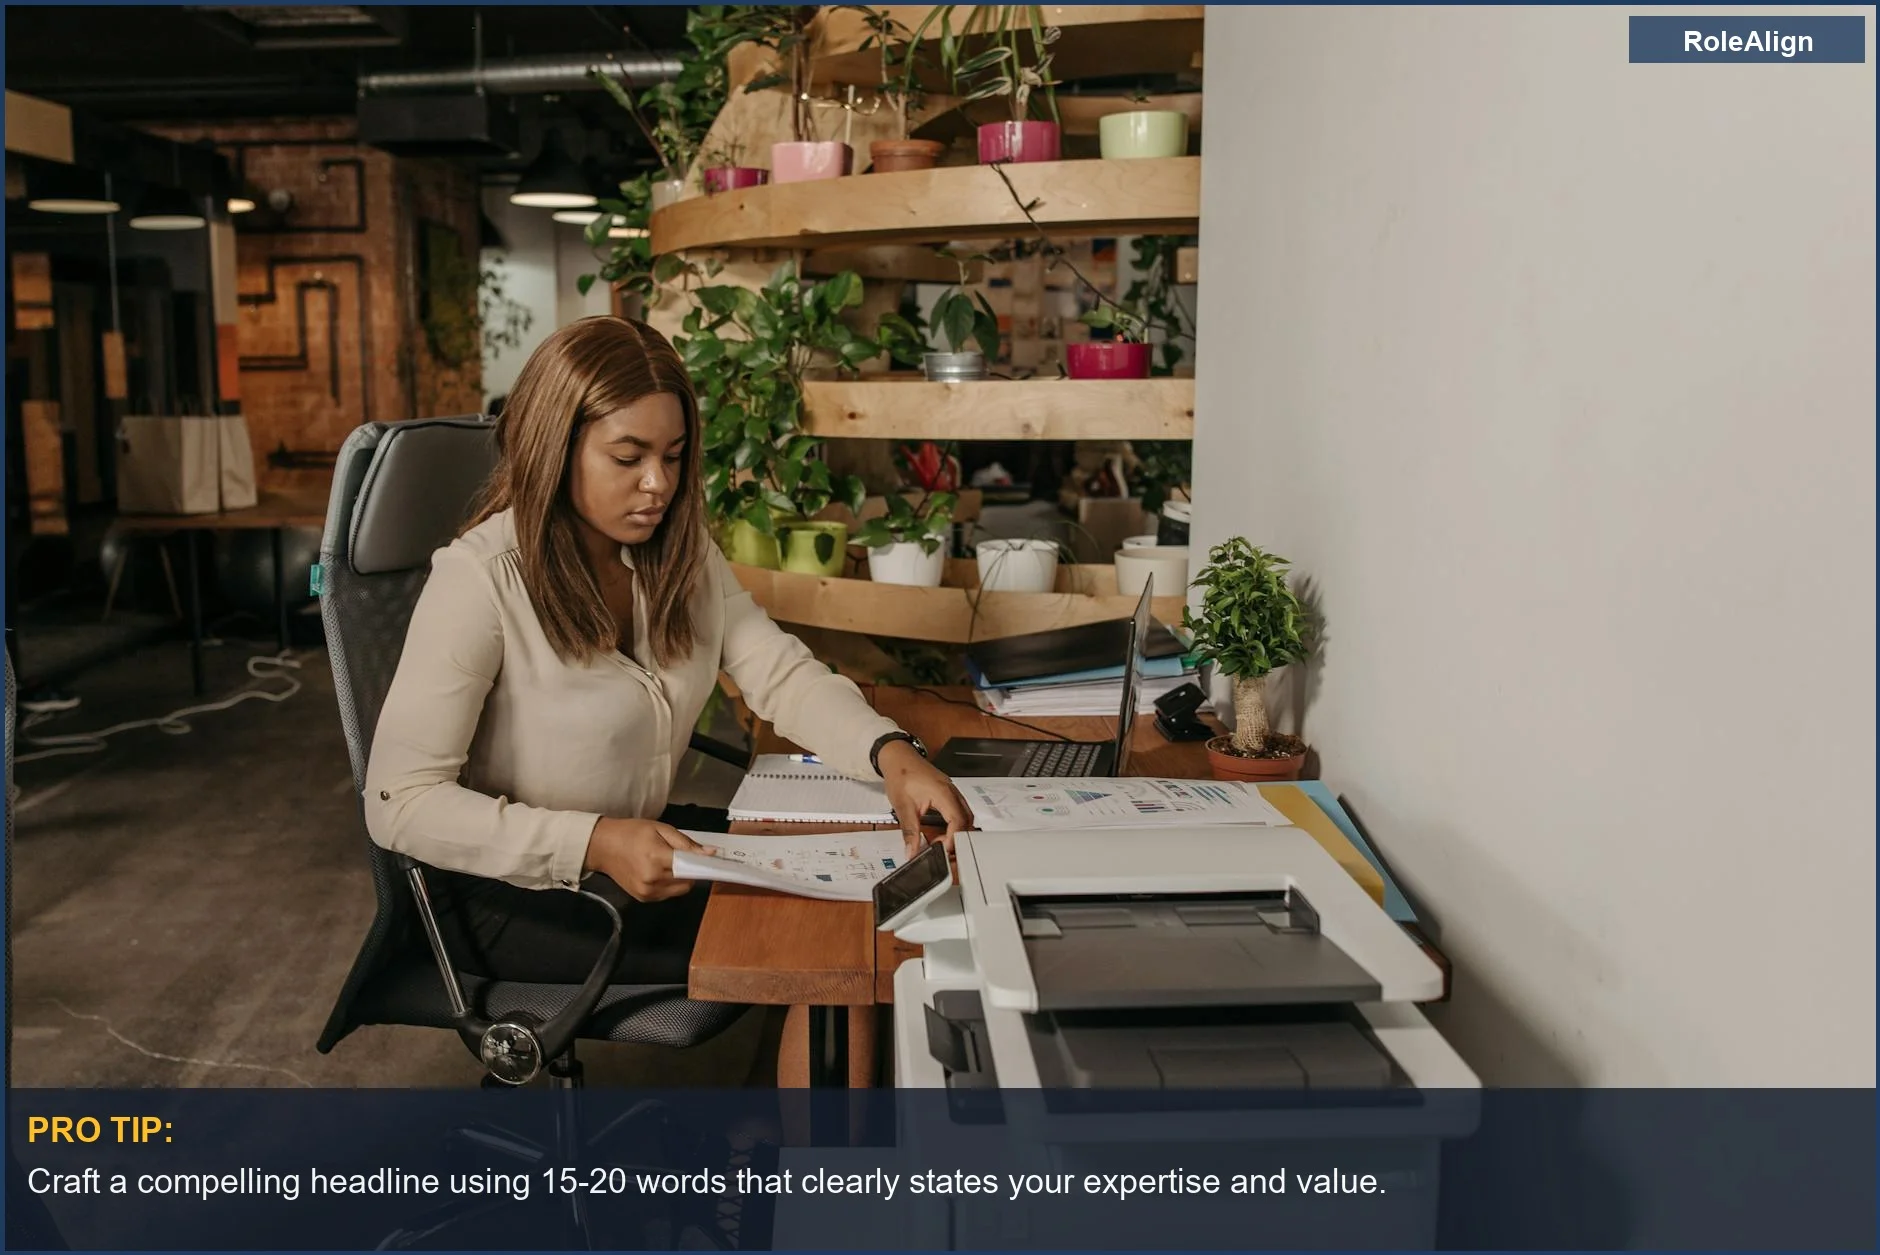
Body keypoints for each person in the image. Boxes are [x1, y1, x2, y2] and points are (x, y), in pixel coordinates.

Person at [364, 316, 972, 1078]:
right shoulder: (480, 580)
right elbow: (399, 802)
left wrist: (893, 756)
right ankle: (825, 1183)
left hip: (639, 847)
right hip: (512, 891)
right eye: (629, 456)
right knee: (826, 940)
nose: (659, 483)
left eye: (675, 456)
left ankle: (824, 1173)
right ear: (556, 447)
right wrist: (593, 841)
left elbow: (779, 672)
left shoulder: (676, 555)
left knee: (867, 899)